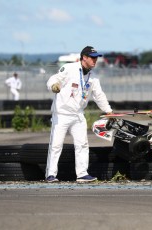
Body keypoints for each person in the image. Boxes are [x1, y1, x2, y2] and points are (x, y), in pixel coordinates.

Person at [45, 46, 113, 183]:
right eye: (92, 57)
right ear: (84, 58)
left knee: (82, 144)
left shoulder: (94, 78)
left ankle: (82, 174)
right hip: (62, 113)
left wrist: (109, 111)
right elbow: (54, 79)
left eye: (96, 57)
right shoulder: (69, 69)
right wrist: (54, 86)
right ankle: (50, 174)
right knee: (56, 145)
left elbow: (99, 96)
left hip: (78, 114)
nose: (95, 60)